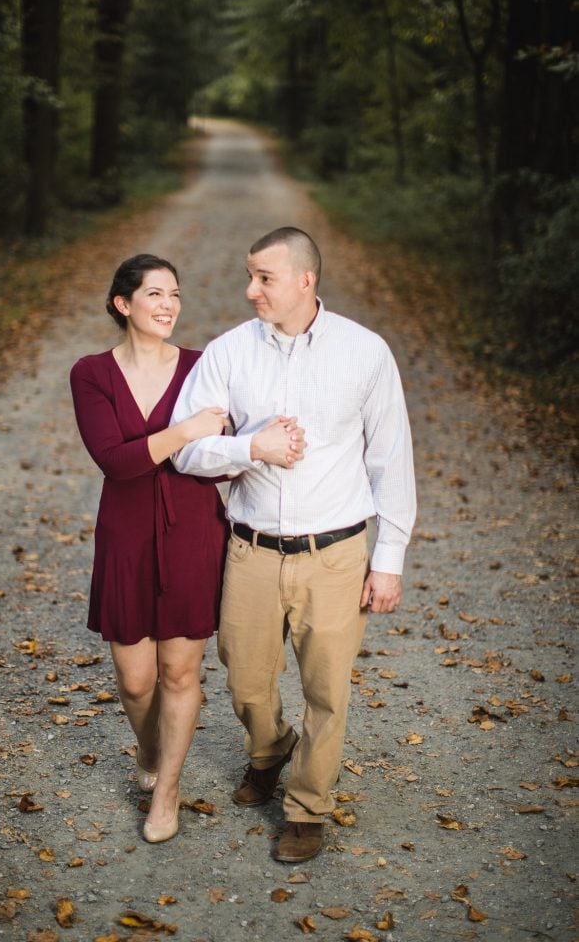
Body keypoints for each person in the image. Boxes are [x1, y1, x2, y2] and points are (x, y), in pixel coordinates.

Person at [171, 227, 416, 863]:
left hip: (337, 553)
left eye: (265, 278)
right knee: (246, 680)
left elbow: (392, 461)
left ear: (305, 280)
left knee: (328, 690)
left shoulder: (365, 353)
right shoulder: (227, 354)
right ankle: (269, 749)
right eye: (250, 276)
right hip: (251, 548)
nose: (250, 290)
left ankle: (308, 807)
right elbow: (186, 449)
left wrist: (386, 562)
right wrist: (249, 445)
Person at [70, 254, 229, 844]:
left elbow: (223, 454)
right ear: (123, 304)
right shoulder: (90, 373)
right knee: (137, 682)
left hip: (192, 529)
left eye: (175, 295)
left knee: (180, 672)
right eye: (155, 294)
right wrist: (185, 431)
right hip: (127, 534)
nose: (168, 306)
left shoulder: (202, 367)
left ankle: (167, 790)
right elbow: (116, 460)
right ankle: (150, 746)